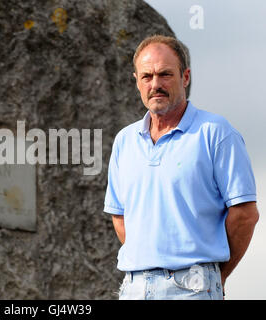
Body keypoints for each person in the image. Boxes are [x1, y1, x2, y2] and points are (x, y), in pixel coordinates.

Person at [104, 35, 259, 300]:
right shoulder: (124, 141)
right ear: (136, 81)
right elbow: (119, 215)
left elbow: (245, 214)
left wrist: (217, 276)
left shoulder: (216, 133)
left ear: (185, 77)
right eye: (147, 76)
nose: (155, 85)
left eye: (165, 74)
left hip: (193, 288)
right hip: (133, 288)